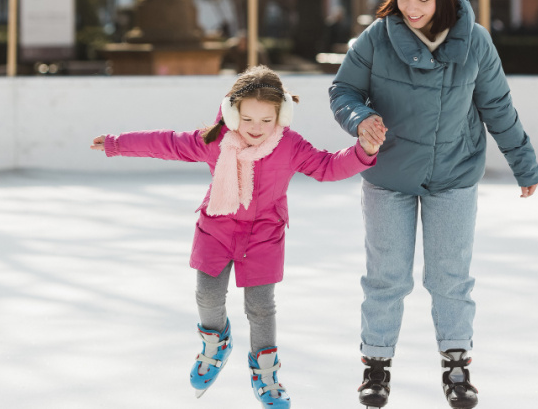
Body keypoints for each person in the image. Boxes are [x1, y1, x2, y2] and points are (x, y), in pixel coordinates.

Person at [91, 65, 386, 409]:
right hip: (216, 228)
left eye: (266, 120)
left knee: (261, 307)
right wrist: (116, 144)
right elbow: (167, 143)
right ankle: (215, 343)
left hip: (264, 234)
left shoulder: (289, 145)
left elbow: (327, 166)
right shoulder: (215, 140)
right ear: (233, 113)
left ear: (281, 115)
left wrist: (363, 150)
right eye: (248, 119)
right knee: (207, 296)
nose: (256, 129)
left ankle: (265, 371)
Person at [327, 0, 538, 408]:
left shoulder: (476, 43)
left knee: (451, 277)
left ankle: (457, 366)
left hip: (454, 175)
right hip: (388, 176)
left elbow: (498, 106)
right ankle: (376, 366)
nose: (411, 8)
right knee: (386, 277)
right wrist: (361, 118)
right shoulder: (377, 38)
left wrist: (523, 162)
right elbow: (343, 91)